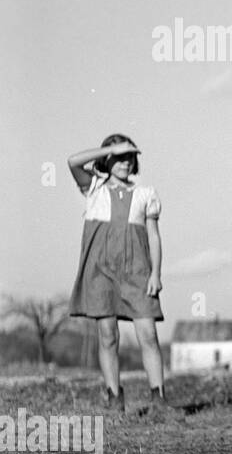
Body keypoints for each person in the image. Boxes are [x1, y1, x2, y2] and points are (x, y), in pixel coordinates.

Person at [67, 135, 167, 411]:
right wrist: (111, 148)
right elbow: (72, 162)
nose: (125, 162)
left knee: (147, 333)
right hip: (100, 272)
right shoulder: (94, 188)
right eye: (119, 157)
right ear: (107, 159)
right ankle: (114, 398)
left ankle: (158, 399)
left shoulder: (146, 195)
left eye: (130, 157)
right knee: (108, 335)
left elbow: (154, 237)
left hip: (137, 272)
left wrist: (155, 274)